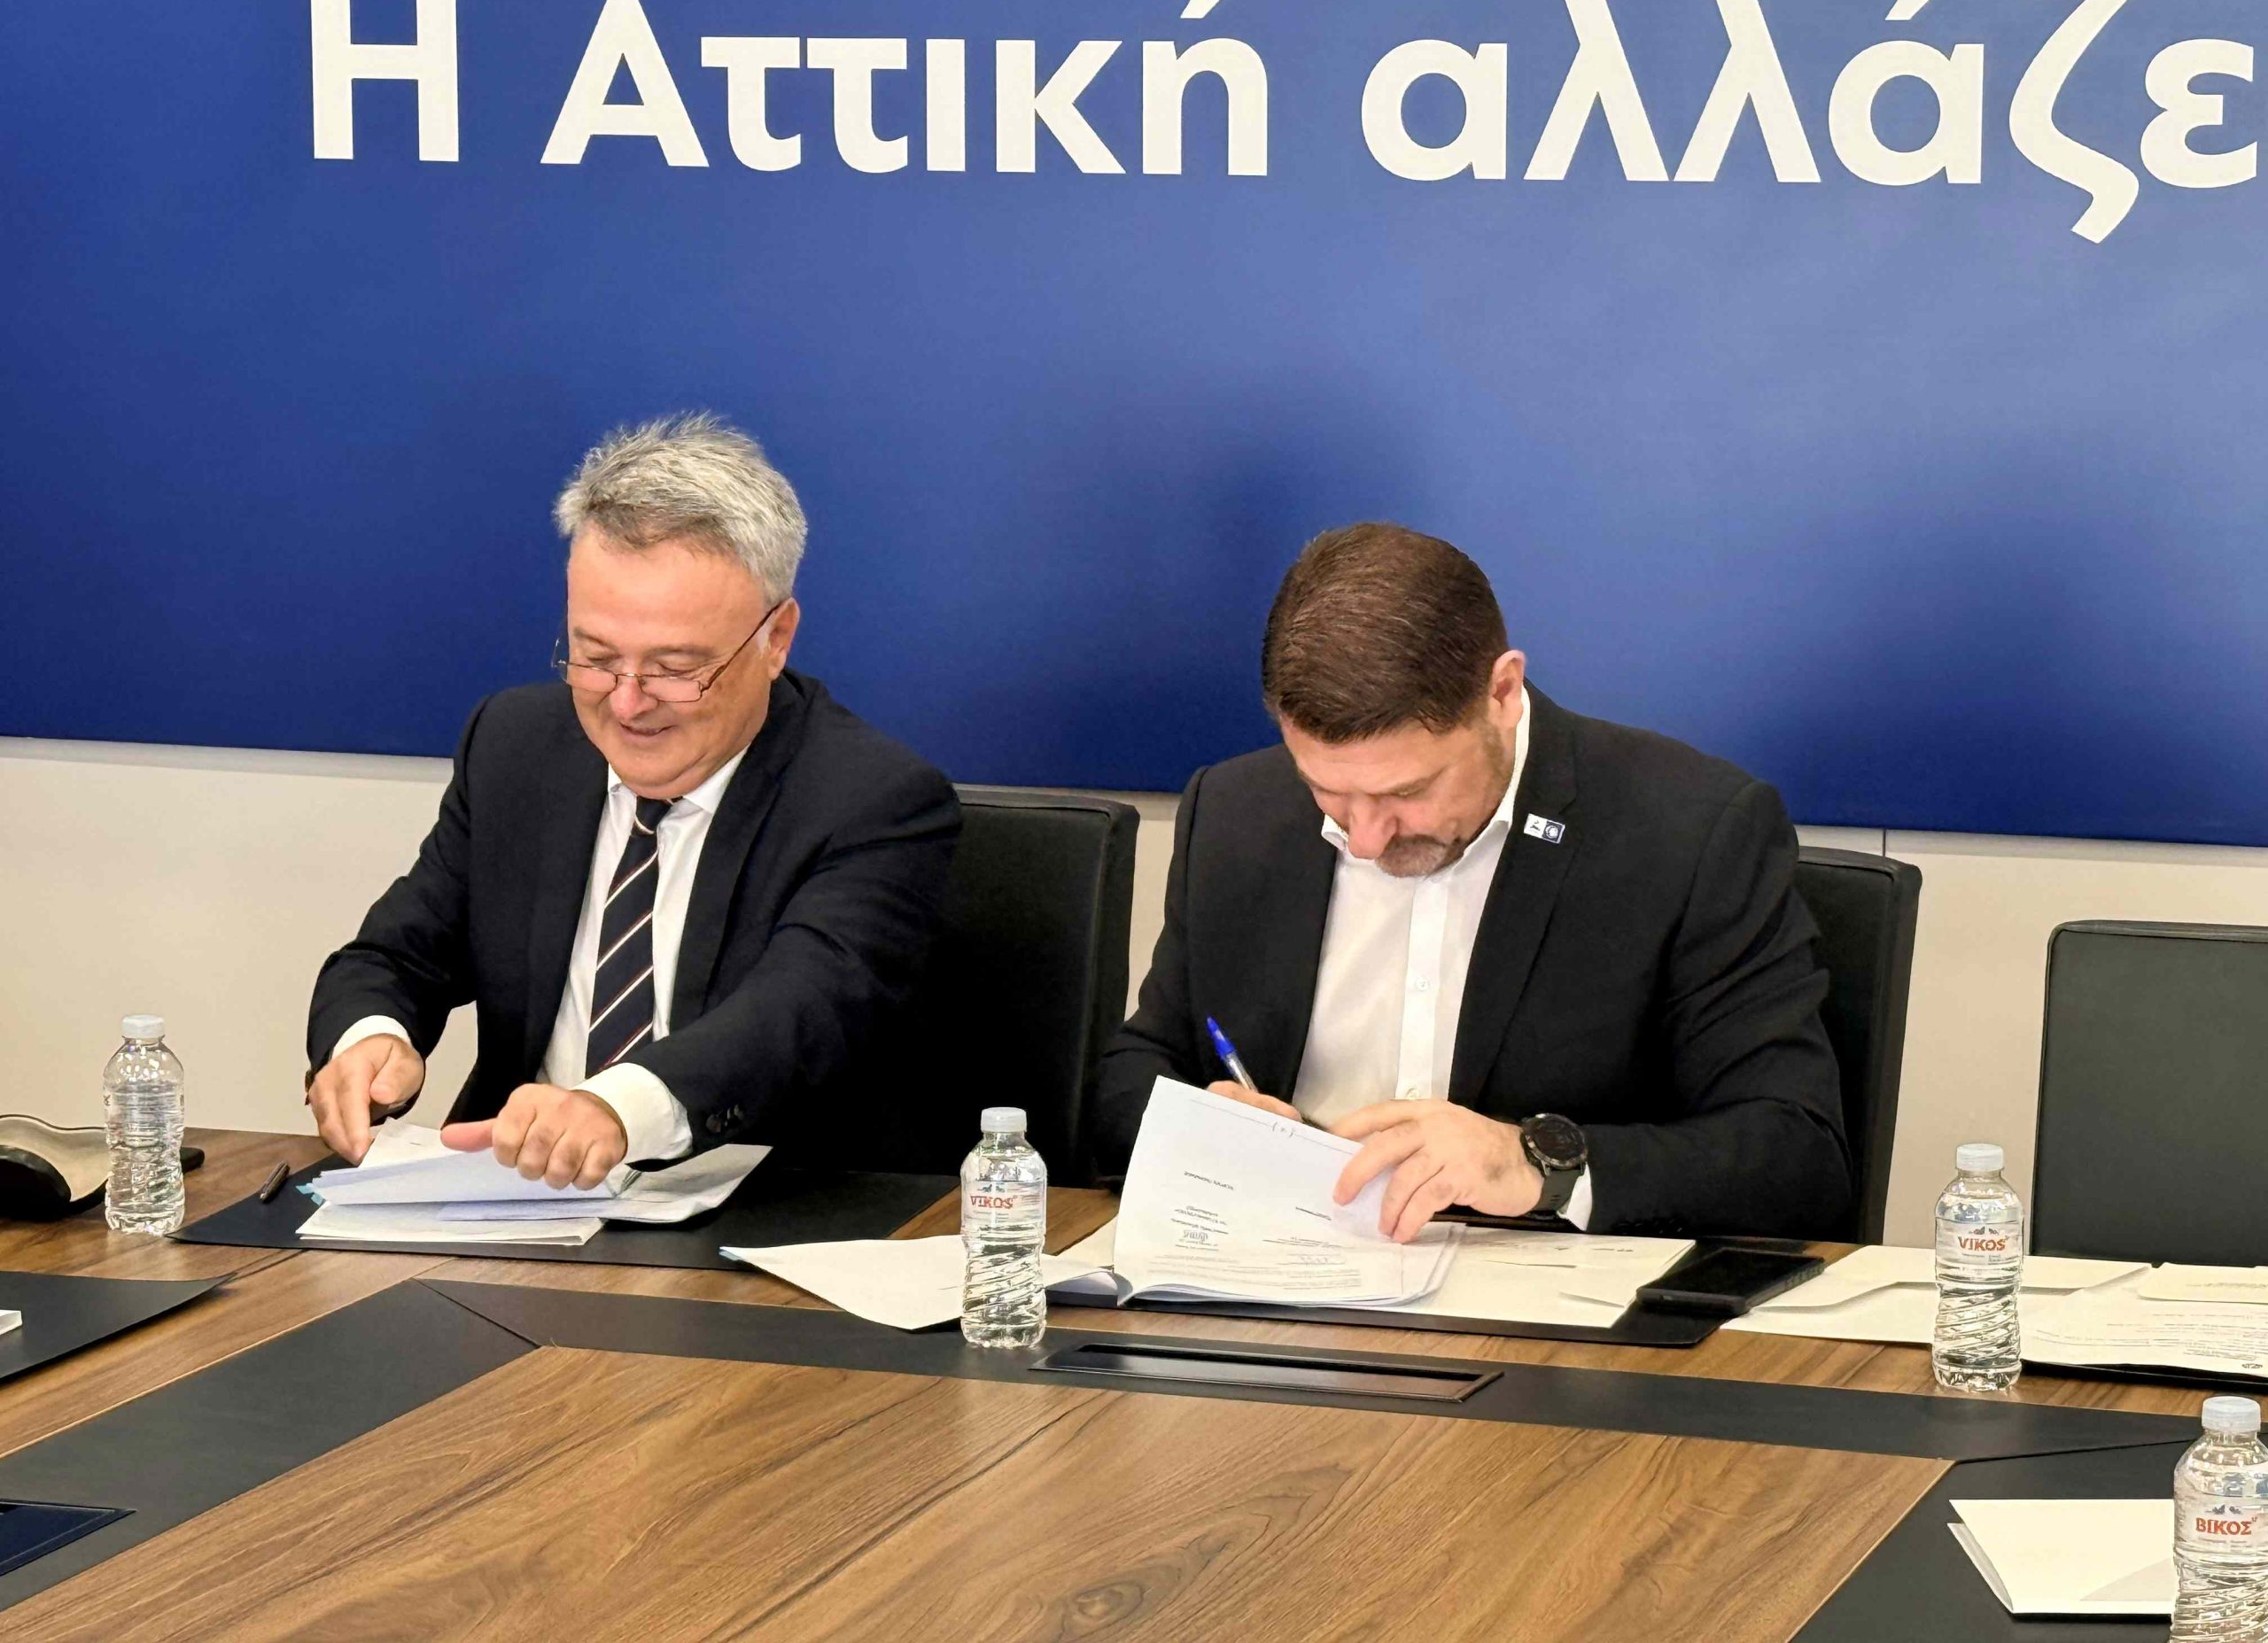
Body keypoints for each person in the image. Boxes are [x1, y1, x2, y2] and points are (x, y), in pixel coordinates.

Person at [1094, 523, 1851, 1240]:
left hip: (1553, 1305)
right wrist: (1199, 1127)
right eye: (1327, 790)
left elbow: (1797, 1156)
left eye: (1406, 792)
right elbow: (1137, 1069)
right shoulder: (1234, 811)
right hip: (1272, 1277)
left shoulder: (1691, 831)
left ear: (1502, 692)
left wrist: (1538, 1164)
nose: (1365, 839)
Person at [304, 413, 959, 1188]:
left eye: (675, 668)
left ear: (775, 638)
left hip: (757, 1213)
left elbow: (796, 1014)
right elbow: (397, 953)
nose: (626, 702)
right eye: (595, 657)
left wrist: (614, 1109)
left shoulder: (874, 800)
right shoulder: (516, 745)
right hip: (511, 1201)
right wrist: (370, 1037)